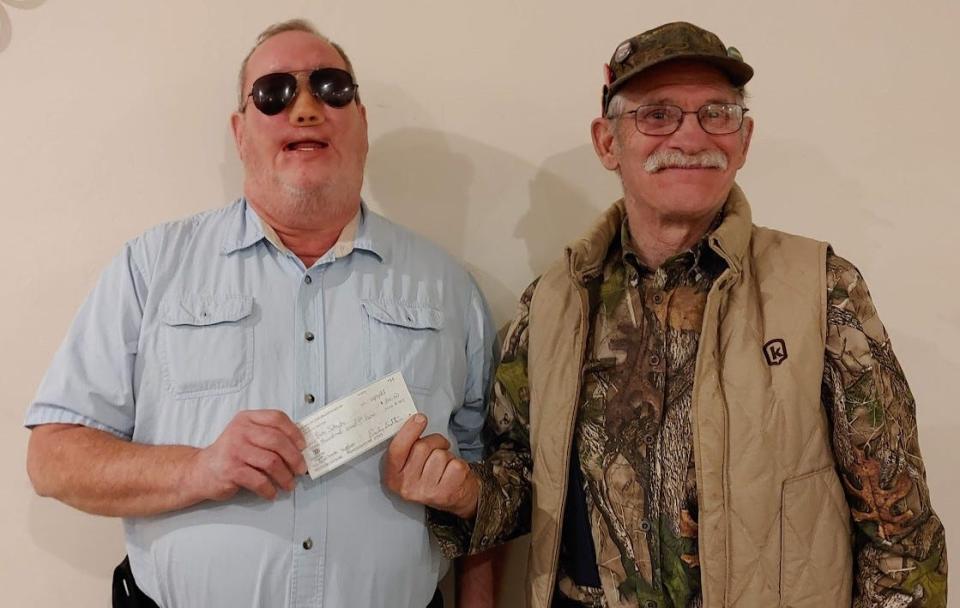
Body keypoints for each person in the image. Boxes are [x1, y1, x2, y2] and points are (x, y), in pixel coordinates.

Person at [384, 21, 947, 608]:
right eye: (657, 114)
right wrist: (464, 495)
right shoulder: (550, 306)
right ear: (608, 142)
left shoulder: (821, 289)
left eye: (716, 113)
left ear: (744, 138)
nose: (690, 135)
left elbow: (899, 531)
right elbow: (526, 485)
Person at [25, 18, 496, 608]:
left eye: (332, 88)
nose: (305, 108)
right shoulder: (152, 267)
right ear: (240, 132)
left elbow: (487, 479)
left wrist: (463, 493)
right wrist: (196, 469)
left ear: (363, 122)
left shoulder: (448, 288)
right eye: (274, 92)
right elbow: (52, 459)